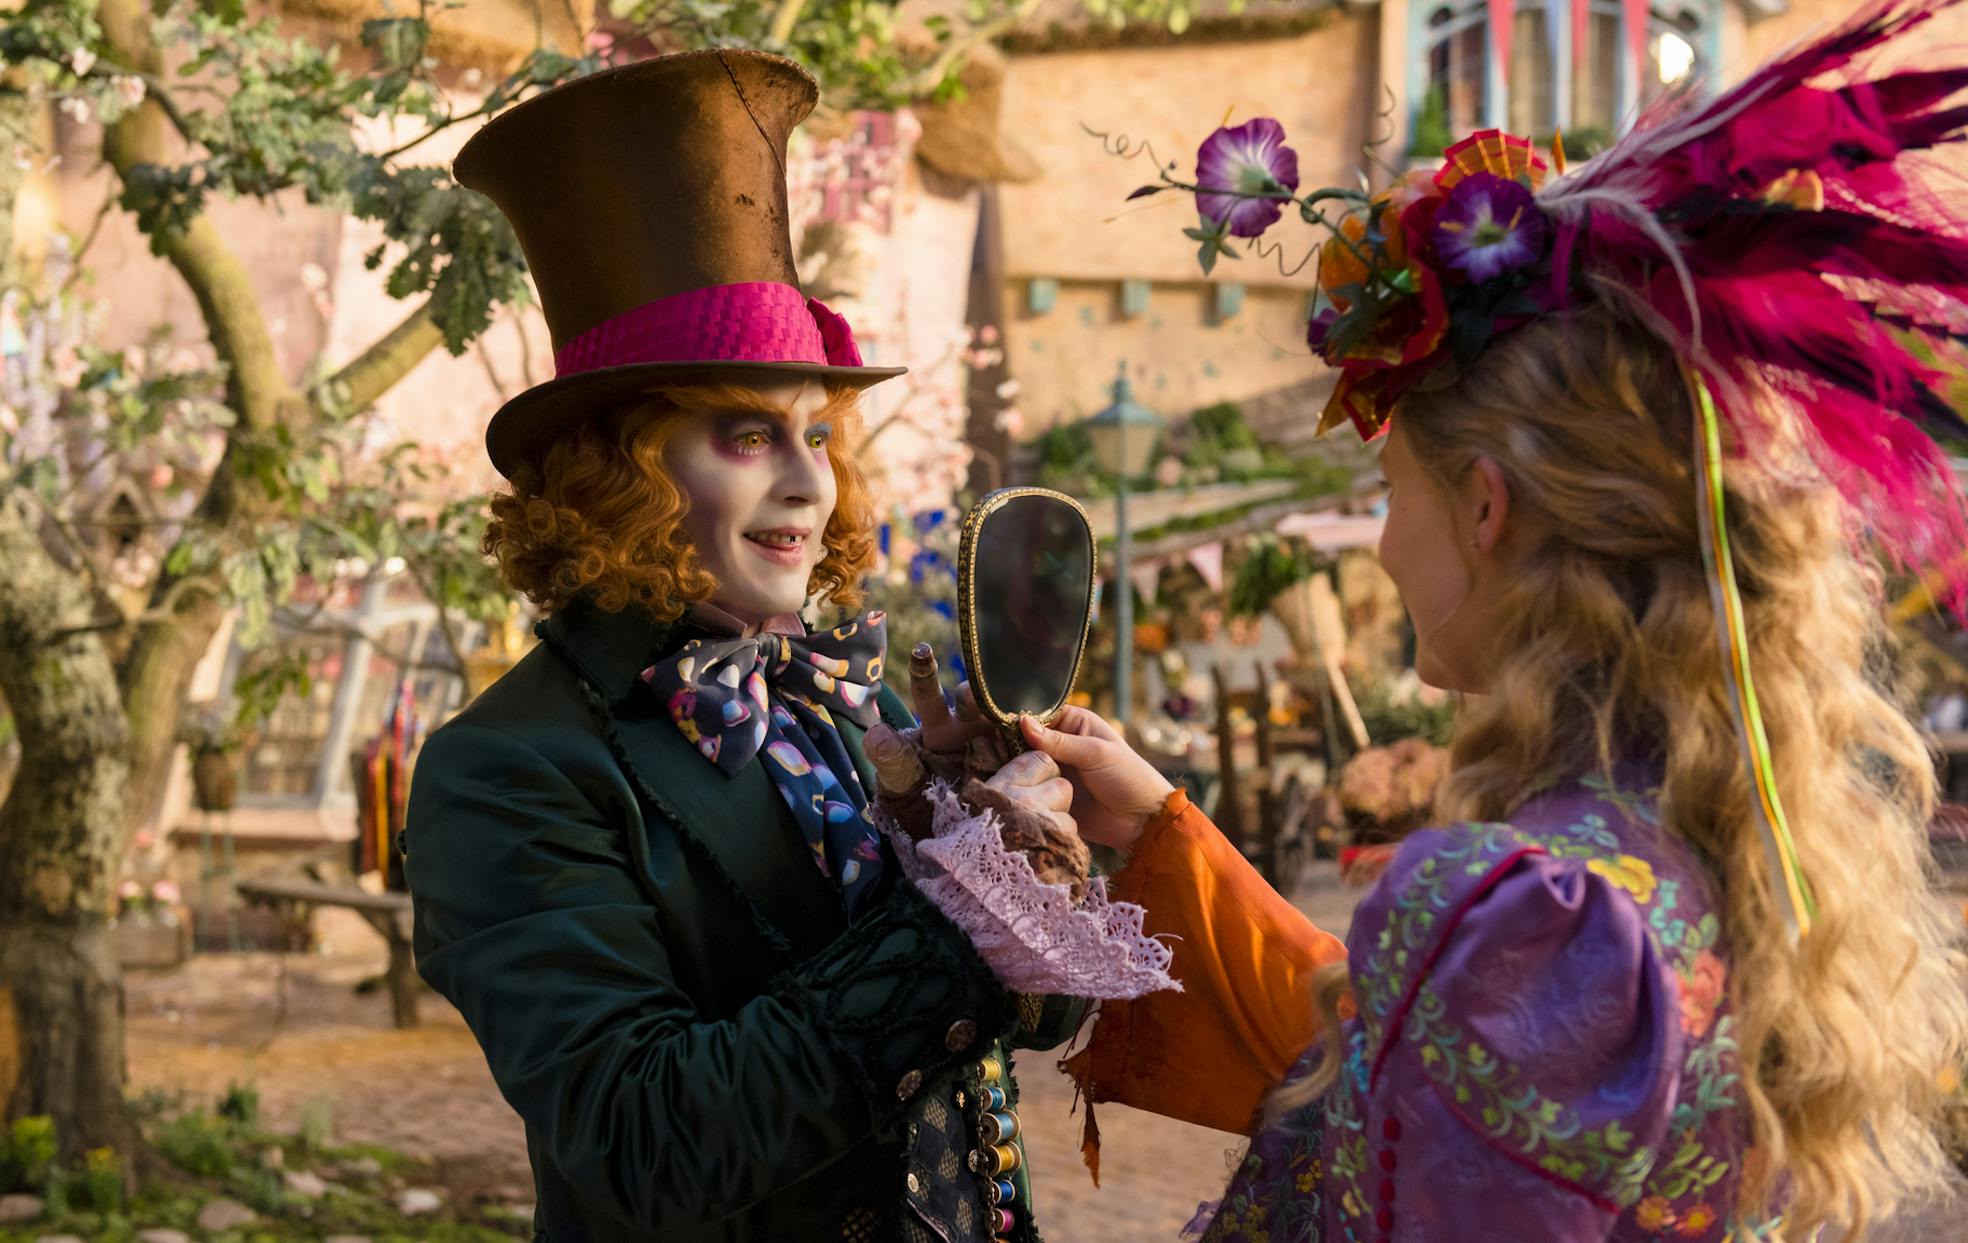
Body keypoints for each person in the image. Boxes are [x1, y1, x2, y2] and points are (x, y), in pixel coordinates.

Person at [994, 2, 1968, 1239]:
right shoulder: (1717, 847)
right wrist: (1164, 834)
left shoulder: (1527, 910)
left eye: (1391, 493)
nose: (1390, 543)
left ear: (1488, 507)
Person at [404, 50, 1081, 1242]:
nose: (810, 482)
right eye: (745, 434)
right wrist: (957, 921)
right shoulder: (506, 768)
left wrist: (1008, 856)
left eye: (817, 433)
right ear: (618, 468)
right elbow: (649, 1139)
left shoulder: (831, 702)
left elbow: (1010, 1023)